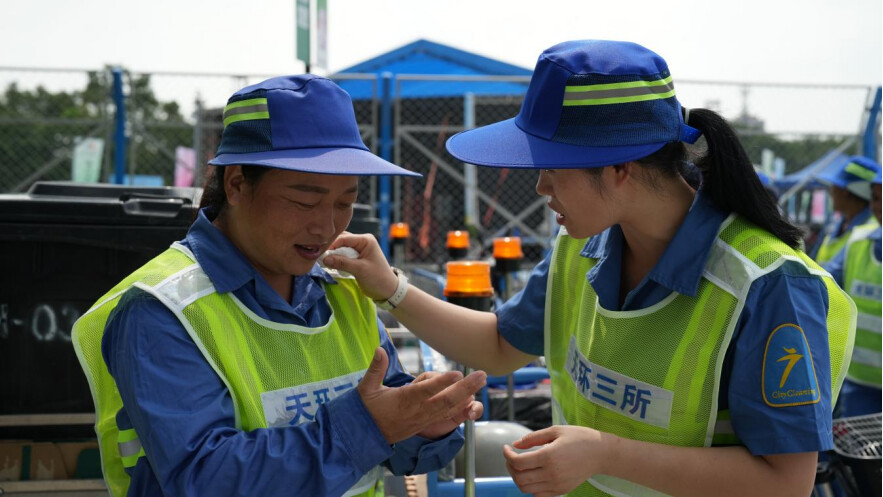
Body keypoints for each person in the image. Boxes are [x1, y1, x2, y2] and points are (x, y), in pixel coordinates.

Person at [324, 40, 856, 497]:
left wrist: (605, 454)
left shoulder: (765, 284)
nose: (540, 188)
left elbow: (785, 482)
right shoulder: (583, 248)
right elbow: (500, 347)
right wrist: (390, 287)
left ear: (620, 167)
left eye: (551, 168)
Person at [71, 75, 486, 497]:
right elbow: (204, 479)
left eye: (345, 202)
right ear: (235, 184)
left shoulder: (343, 290)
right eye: (304, 201)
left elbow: (388, 427)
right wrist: (369, 426)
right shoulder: (163, 311)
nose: (326, 226)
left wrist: (425, 425)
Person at [824, 157, 882, 417]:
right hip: (857, 379)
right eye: (876, 198)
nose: (878, 207)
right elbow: (821, 282)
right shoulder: (857, 241)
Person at [810, 156, 879, 264]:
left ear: (846, 192)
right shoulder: (833, 224)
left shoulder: (873, 229)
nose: (831, 192)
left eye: (835, 186)